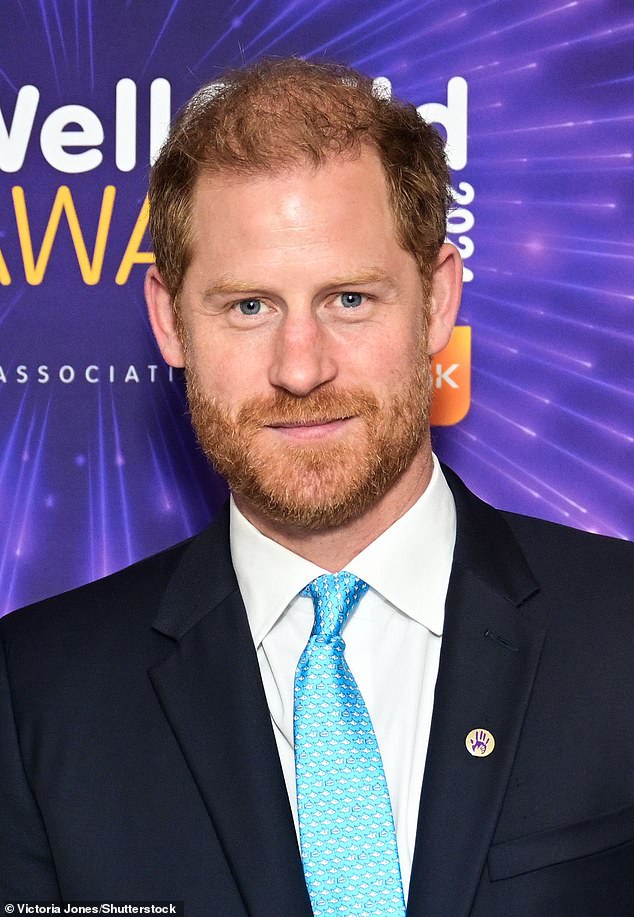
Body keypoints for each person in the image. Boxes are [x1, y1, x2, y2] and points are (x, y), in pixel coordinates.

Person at [1, 58, 632, 917]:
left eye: (348, 298)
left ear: (438, 299)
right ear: (168, 319)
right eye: (249, 307)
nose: (301, 368)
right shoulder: (37, 692)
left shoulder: (620, 630)